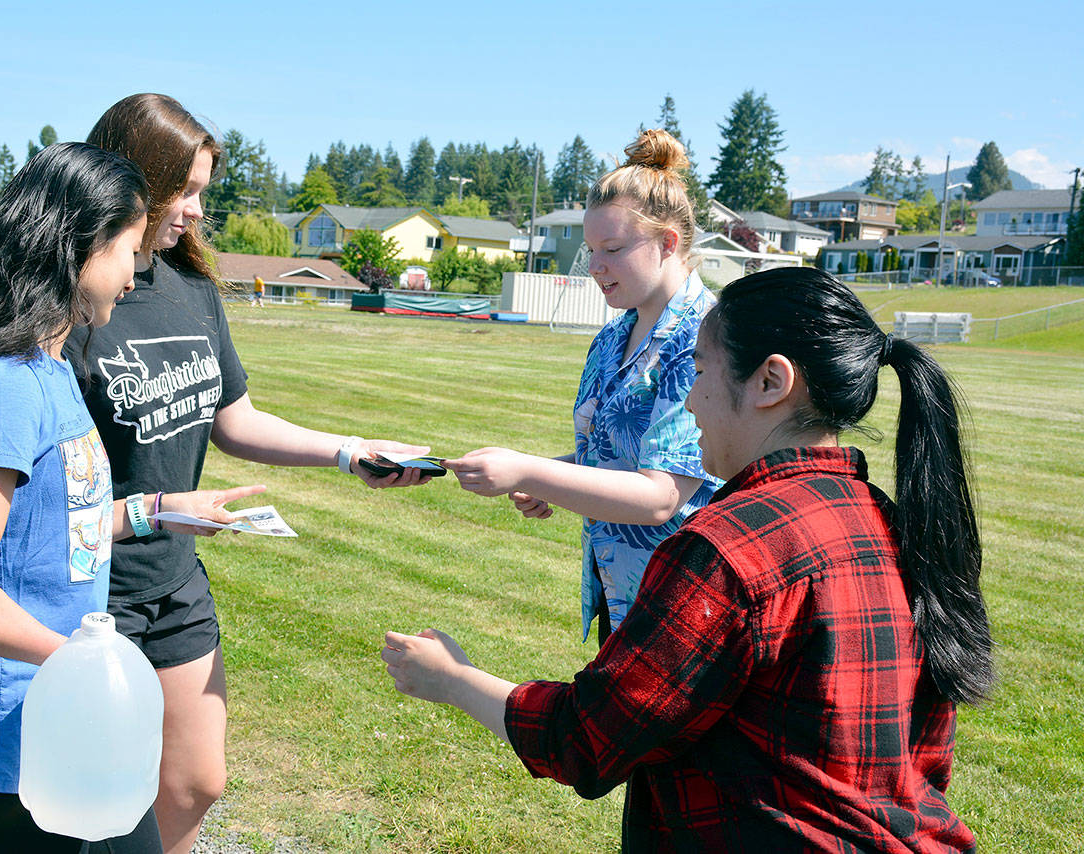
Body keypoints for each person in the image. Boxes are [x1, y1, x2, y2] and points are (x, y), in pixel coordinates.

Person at [383, 266, 994, 852]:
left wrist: (451, 679)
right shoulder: (888, 519)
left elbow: (585, 739)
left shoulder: (725, 551)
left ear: (770, 384)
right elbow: (926, 759)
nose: (691, 401)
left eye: (698, 372)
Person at [65, 93, 430, 854]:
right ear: (130, 180)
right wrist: (146, 509)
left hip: (173, 580)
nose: (196, 210)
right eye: (185, 190)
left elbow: (235, 420)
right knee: (93, 802)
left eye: (203, 191)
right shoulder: (79, 298)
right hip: (90, 589)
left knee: (198, 782)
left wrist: (347, 450)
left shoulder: (190, 289)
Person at [0, 142, 265, 854]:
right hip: (10, 747)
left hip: (64, 730)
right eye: (127, 252)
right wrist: (96, 668)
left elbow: (48, 528)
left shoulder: (48, 371)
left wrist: (157, 510)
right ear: (76, 250)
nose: (136, 277)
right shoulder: (4, 387)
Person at [444, 129, 719, 644]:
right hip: (621, 593)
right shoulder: (613, 336)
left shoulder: (704, 339)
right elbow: (613, 457)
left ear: (668, 243)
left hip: (686, 606)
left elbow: (663, 496)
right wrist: (547, 477)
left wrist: (530, 470)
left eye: (611, 249)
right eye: (591, 248)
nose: (594, 266)